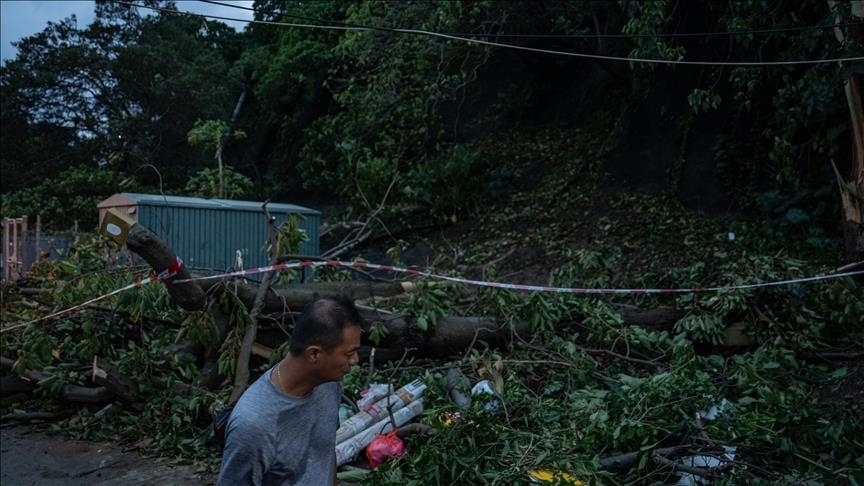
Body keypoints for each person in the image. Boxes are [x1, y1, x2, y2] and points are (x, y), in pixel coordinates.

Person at [217, 295, 362, 485]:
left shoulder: (327, 384)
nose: (356, 360)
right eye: (349, 354)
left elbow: (325, 452)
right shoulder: (254, 425)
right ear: (314, 354)